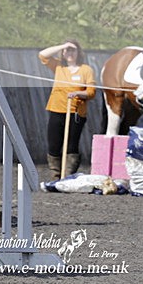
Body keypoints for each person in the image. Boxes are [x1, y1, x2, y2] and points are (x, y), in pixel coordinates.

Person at [38, 40, 96, 181]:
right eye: (67, 50)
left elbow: (91, 92)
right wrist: (63, 46)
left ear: (78, 52)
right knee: (54, 143)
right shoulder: (58, 66)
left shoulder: (86, 69)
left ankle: (68, 175)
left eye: (73, 50)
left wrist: (78, 93)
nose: (70, 53)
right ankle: (55, 175)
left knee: (71, 144)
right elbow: (42, 55)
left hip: (76, 112)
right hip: (57, 109)